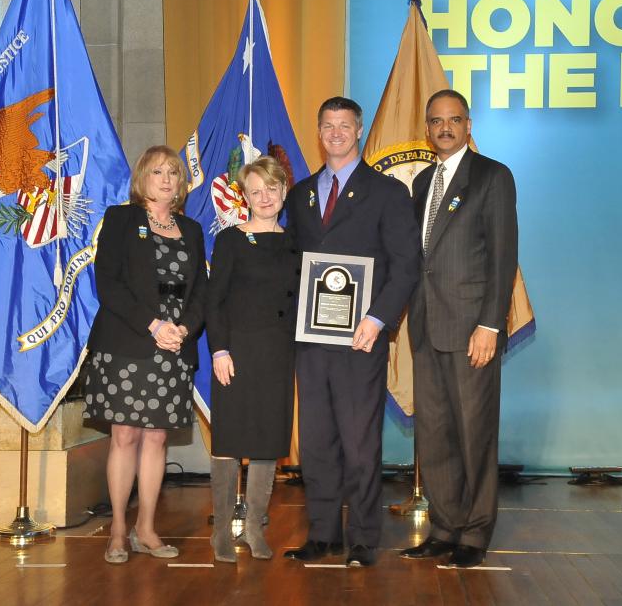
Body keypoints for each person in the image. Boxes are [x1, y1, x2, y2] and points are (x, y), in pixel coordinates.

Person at [284, 97, 421, 567]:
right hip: (311, 340)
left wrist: (378, 318)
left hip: (361, 338)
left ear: (359, 130)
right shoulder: (299, 194)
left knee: (360, 443)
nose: (336, 133)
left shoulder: (386, 192)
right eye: (328, 125)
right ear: (318, 131)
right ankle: (323, 534)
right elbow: (294, 264)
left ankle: (363, 537)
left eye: (345, 125)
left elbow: (406, 266)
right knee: (318, 441)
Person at [399, 89, 518, 568]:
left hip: (473, 330)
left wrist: (490, 323)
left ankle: (474, 532)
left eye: (454, 120)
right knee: (435, 435)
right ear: (426, 129)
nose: (444, 128)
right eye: (435, 121)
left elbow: (503, 257)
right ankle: (445, 527)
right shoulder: (422, 181)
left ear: (469, 125)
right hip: (427, 327)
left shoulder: (492, 176)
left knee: (474, 434)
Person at [84, 145, 207, 564]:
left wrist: (183, 328)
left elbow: (201, 293)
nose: (167, 179)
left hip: (174, 345)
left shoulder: (191, 230)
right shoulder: (121, 219)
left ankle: (147, 529)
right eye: (157, 172)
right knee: (125, 435)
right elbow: (109, 285)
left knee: (156, 438)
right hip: (127, 342)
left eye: (173, 172)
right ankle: (118, 528)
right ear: (142, 179)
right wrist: (153, 325)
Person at [205, 156, 300, 563]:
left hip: (279, 354)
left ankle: (255, 529)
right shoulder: (230, 240)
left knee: (267, 442)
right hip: (236, 353)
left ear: (283, 192)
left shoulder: (297, 241)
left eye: (271, 189)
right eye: (256, 190)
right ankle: (222, 533)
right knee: (228, 440)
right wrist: (219, 349)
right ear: (244, 196)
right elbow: (214, 301)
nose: (265, 197)